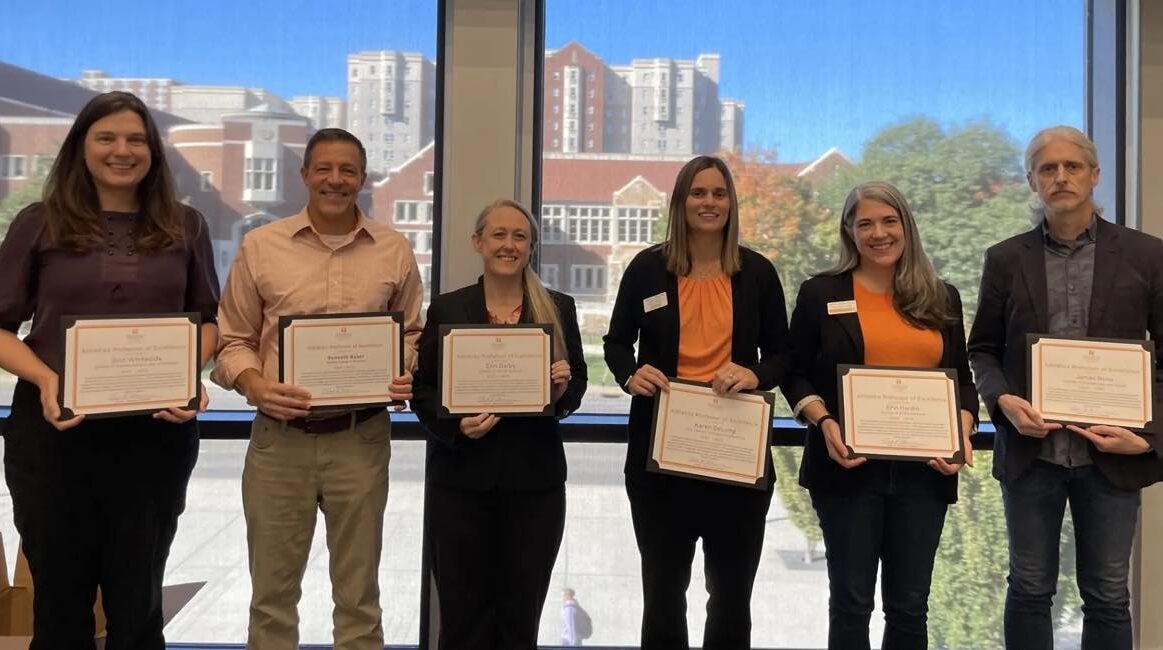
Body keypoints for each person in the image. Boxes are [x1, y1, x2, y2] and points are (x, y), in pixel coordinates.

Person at [0, 90, 220, 649]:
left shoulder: (186, 225)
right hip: (53, 435)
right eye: (107, 137)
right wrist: (48, 379)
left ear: (152, 152)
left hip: (154, 438)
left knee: (138, 601)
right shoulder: (39, 221)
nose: (122, 150)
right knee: (59, 602)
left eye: (136, 139)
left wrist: (185, 374)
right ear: (82, 146)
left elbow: (210, 322)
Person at [212, 128, 423, 650]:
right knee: (272, 600)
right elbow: (231, 340)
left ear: (362, 178)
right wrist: (256, 385)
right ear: (304, 175)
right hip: (279, 442)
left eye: (348, 170)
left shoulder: (393, 250)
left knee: (358, 599)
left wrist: (405, 369)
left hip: (361, 440)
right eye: (324, 169)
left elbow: (414, 333)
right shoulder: (261, 246)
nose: (336, 180)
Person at [967, 125, 1163, 650]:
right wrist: (1003, 401)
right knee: (1029, 589)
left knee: (1107, 595)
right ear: (1031, 181)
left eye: (1071, 166)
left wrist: (1148, 435)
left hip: (1113, 455)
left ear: (1094, 176)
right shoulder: (1006, 258)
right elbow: (982, 349)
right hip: (1033, 453)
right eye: (1047, 169)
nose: (1060, 177)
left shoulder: (1149, 255)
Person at [780, 181, 977, 649]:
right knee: (851, 605)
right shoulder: (821, 292)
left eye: (889, 221)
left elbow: (962, 380)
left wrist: (962, 433)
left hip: (925, 474)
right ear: (849, 231)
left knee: (910, 608)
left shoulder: (941, 296)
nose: (878, 233)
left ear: (906, 227)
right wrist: (823, 422)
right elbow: (793, 373)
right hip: (847, 469)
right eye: (864, 222)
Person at [603, 155, 789, 650]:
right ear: (680, 202)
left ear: (731, 203)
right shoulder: (647, 268)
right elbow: (617, 343)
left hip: (736, 456)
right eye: (698, 193)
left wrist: (754, 372)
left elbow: (784, 356)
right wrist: (629, 372)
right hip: (660, 458)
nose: (709, 202)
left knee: (730, 598)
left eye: (719, 193)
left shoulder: (758, 273)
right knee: (663, 595)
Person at [410, 199, 587, 650]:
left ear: (531, 246)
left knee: (520, 614)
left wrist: (564, 389)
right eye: (499, 235)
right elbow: (424, 389)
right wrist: (456, 427)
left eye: (520, 236)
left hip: (535, 487)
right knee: (462, 616)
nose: (509, 245)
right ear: (478, 242)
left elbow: (579, 383)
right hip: (460, 486)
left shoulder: (559, 308)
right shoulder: (448, 309)